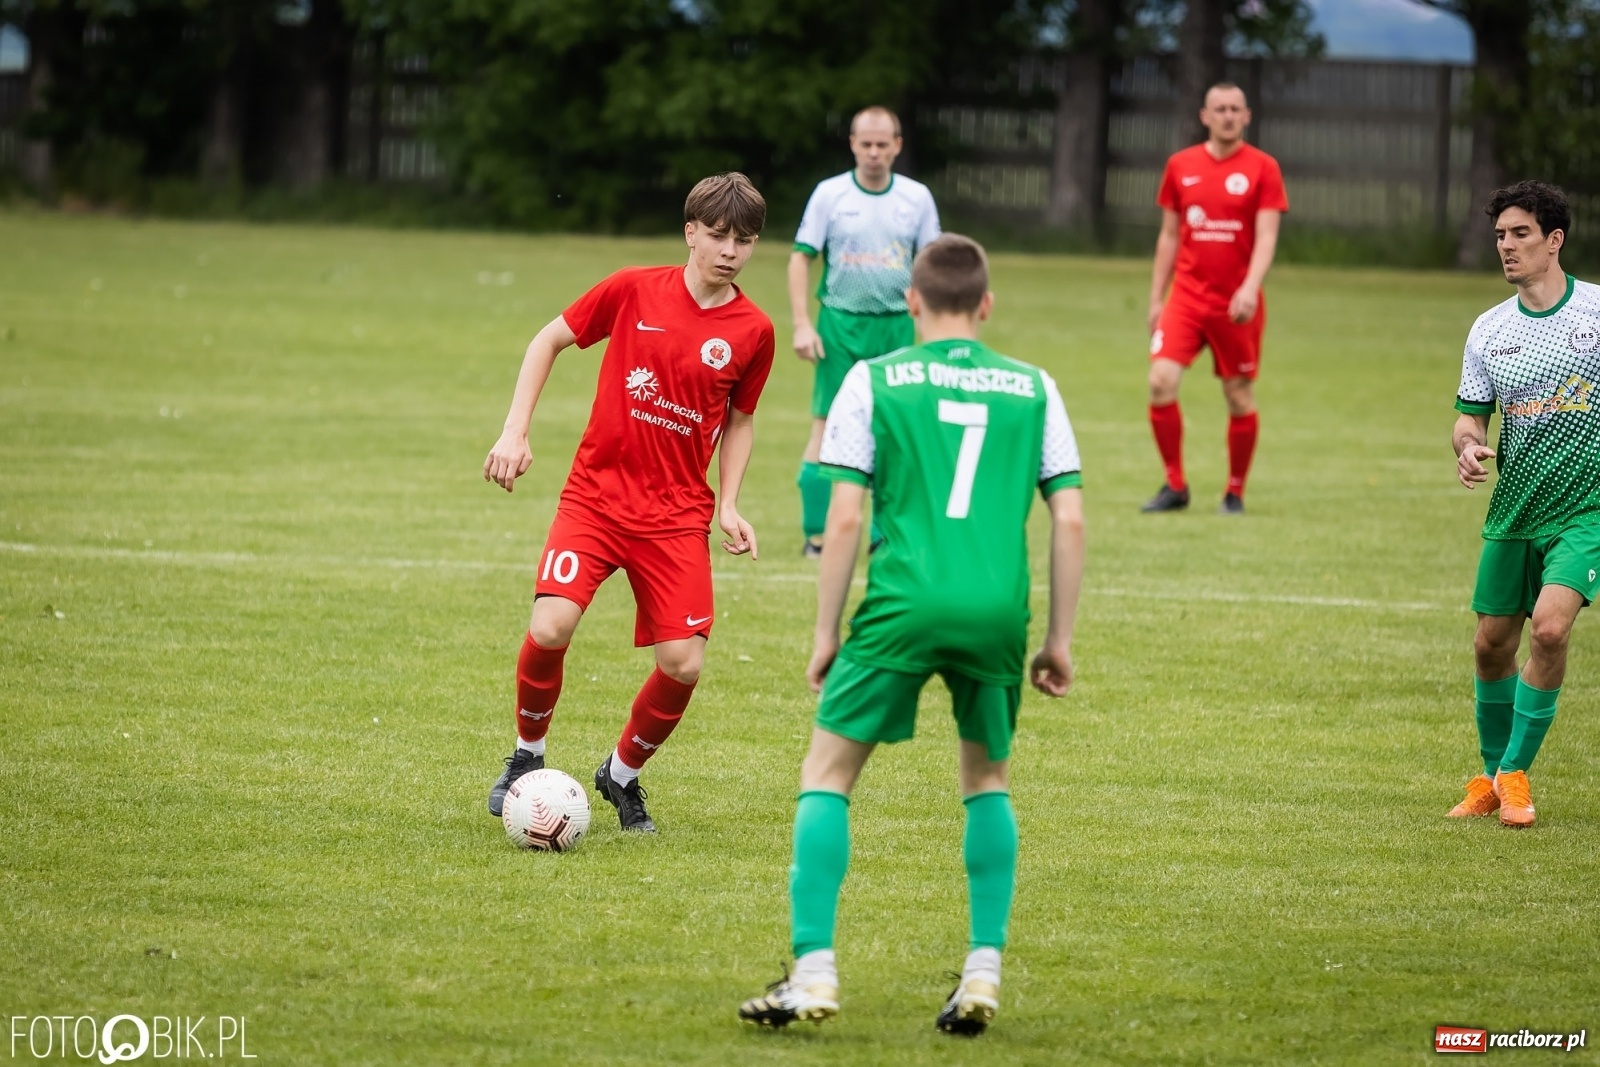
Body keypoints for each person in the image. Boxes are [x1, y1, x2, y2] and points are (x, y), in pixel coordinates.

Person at [738, 234, 1085, 1035]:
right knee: (987, 780)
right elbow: (1068, 517)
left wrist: (826, 632)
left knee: (828, 773)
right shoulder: (1035, 387)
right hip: (996, 610)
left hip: (902, 601)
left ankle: (814, 969)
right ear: (986, 305)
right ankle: (983, 968)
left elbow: (845, 515)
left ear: (912, 302)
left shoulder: (874, 379)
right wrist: (1058, 640)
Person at [481, 173, 775, 833]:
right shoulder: (633, 288)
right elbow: (547, 340)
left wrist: (729, 503)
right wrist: (514, 430)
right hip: (595, 499)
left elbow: (741, 419)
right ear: (690, 232)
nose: (731, 251)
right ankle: (527, 755)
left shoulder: (754, 330)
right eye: (719, 235)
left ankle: (620, 773)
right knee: (551, 626)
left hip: (675, 517)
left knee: (683, 663)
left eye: (746, 240)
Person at [1448, 180, 1600, 830]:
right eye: (1500, 236)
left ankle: (1512, 772)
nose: (1507, 247)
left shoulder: (1594, 313)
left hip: (1586, 509)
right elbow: (1469, 418)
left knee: (1549, 630)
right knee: (1490, 645)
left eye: (1520, 234)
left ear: (1554, 239)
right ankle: (1493, 778)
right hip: (1515, 510)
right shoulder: (1490, 329)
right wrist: (1467, 447)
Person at [790, 105, 941, 555]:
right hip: (839, 326)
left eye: (882, 144)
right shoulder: (829, 194)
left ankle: (883, 534)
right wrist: (802, 324)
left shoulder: (917, 198)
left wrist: (932, 328)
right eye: (866, 144)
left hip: (896, 327)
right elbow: (800, 257)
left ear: (897, 146)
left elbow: (932, 266)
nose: (874, 152)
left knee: (892, 429)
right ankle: (816, 534)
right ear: (853, 144)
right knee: (826, 426)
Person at [1143, 81, 1287, 514]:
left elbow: (1266, 236)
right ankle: (1175, 486)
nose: (1227, 116)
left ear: (1247, 116)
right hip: (1186, 298)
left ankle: (1234, 492)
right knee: (1160, 381)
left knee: (1238, 396)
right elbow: (1169, 236)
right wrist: (1156, 298)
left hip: (1236, 305)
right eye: (1219, 109)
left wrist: (1249, 286)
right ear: (1204, 116)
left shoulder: (1263, 168)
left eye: (1234, 109)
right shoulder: (1180, 165)